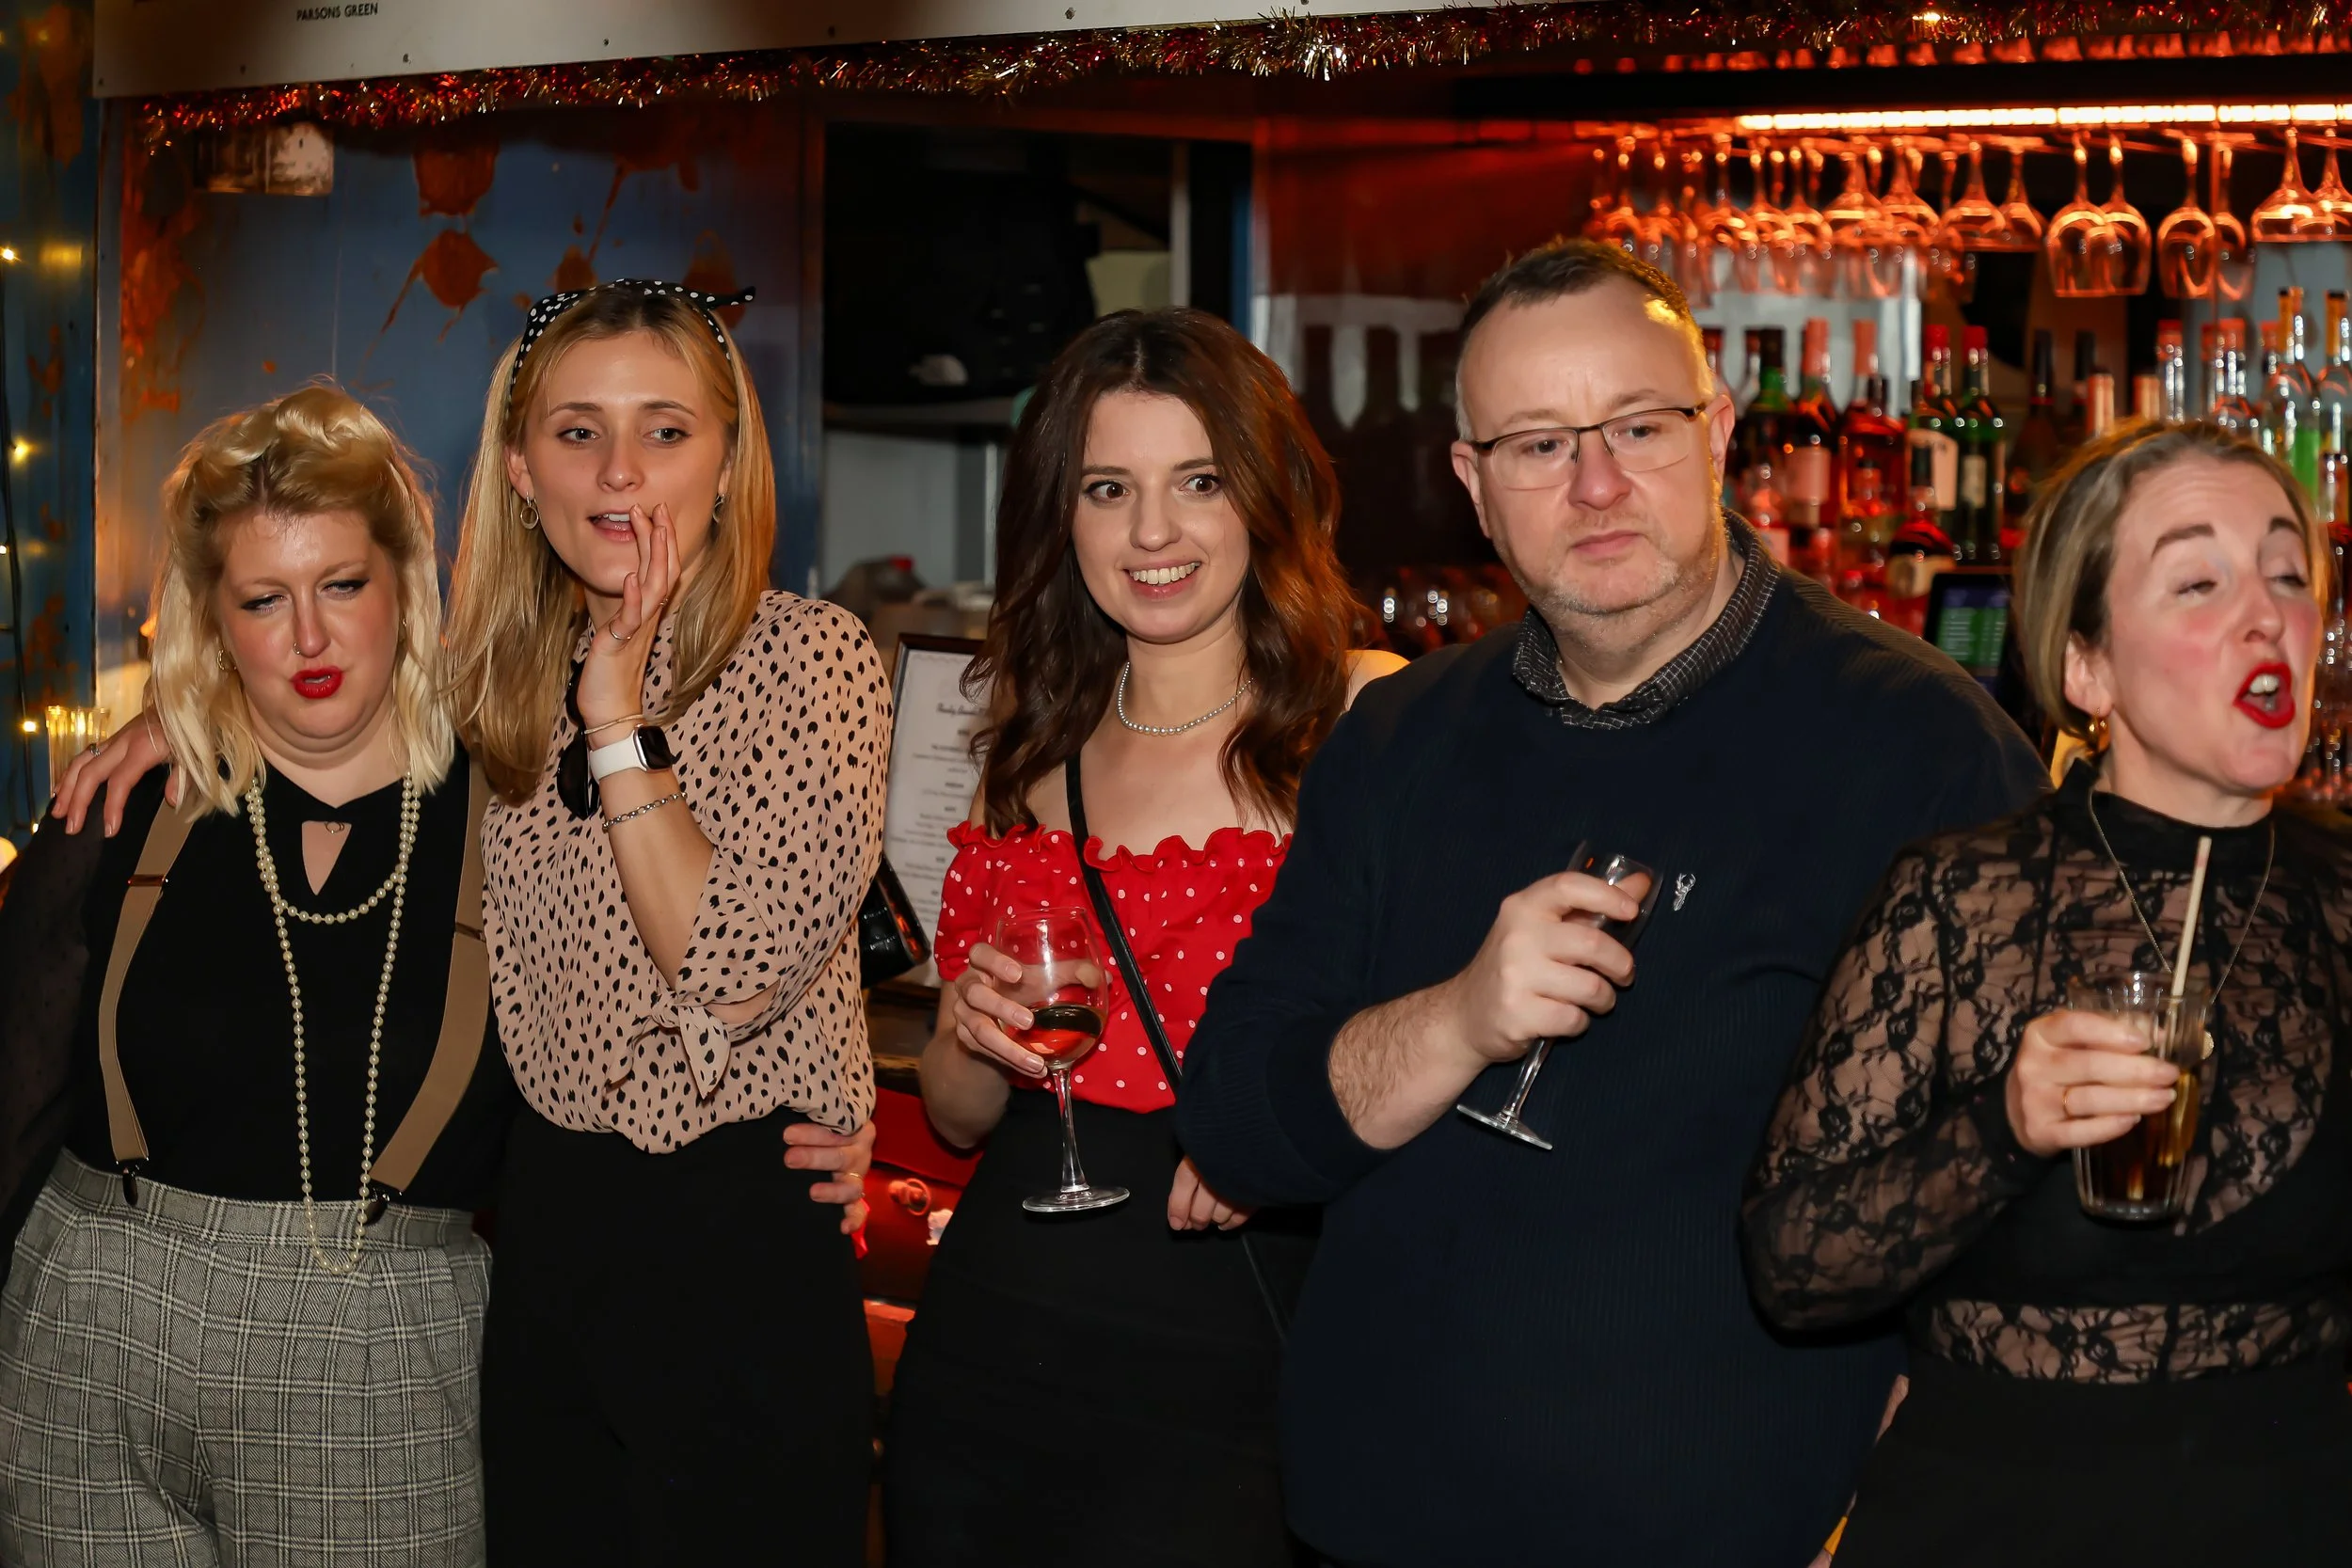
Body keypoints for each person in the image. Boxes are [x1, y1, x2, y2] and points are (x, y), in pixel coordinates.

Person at [1171, 241, 2047, 1567]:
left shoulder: (1922, 746)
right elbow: (1239, 1123)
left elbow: (2020, 1181)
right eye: (1536, 444)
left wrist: (1899, 1494)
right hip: (1370, 1517)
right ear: (1471, 483)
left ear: (1722, 432)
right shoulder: (1399, 735)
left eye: (1639, 425)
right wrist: (1459, 1018)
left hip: (1726, 1530)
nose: (1595, 482)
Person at [53, 282, 885, 1567]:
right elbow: (316, 676)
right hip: (547, 1233)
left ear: (730, 460)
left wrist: (618, 726)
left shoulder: (807, 658)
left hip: (737, 1238)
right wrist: (182, 709)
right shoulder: (495, 682)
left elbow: (723, 972)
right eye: (576, 433)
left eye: (666, 430)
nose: (621, 472)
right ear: (518, 466)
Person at [1742, 420, 2352, 1566]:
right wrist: (2000, 1128)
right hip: (1993, 1522)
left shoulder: (2339, 899)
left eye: (2286, 572)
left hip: (2294, 1513)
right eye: (2197, 581)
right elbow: (1790, 1266)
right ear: (2086, 668)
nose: (2265, 615)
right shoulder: (1959, 897)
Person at [884, 307, 1404, 1568]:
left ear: (1266, 497)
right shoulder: (1029, 738)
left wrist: (1278, 1135)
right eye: (1110, 488)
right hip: (997, 1337)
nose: (1152, 531)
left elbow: (1436, 1049)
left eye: (1198, 481)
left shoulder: (1367, 718)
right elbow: (957, 1117)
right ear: (1064, 514)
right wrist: (968, 1024)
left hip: (1245, 1348)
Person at [0, 386, 514, 1564]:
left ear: (405, 581)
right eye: (264, 600)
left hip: (382, 1349)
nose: (312, 639)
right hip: (90, 1334)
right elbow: (12, 1100)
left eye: (342, 583)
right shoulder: (124, 809)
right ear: (213, 618)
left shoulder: (521, 816)